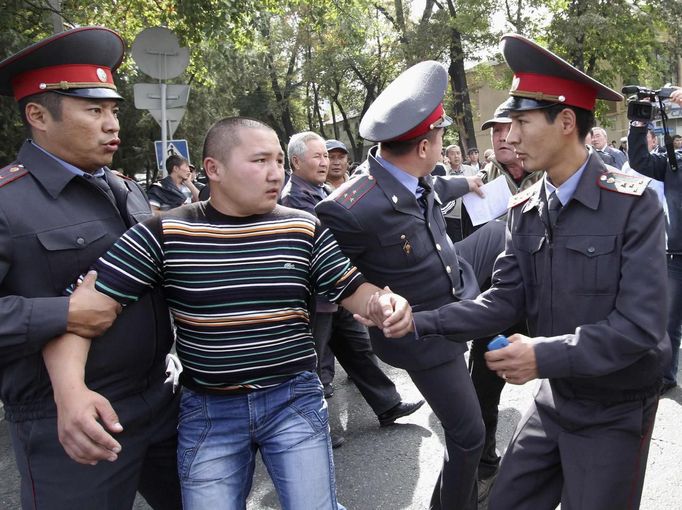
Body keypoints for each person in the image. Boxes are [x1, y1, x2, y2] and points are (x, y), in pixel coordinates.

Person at [40, 116, 413, 510]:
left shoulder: (304, 228)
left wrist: (384, 303)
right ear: (213, 168)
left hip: (293, 400)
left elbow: (352, 288)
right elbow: (80, 312)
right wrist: (70, 393)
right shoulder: (163, 233)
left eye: (279, 162)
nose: (275, 174)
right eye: (259, 161)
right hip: (209, 410)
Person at [383, 34, 669, 510]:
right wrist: (419, 320)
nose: (509, 137)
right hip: (555, 397)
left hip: (615, 407)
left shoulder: (633, 204)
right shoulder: (527, 208)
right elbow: (504, 300)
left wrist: (542, 355)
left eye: (520, 121)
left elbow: (639, 328)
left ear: (566, 122)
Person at [0, 27, 181, 509]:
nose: (111, 125)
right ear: (37, 115)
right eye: (94, 110)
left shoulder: (124, 188)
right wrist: (64, 315)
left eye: (114, 109)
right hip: (72, 421)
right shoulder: (7, 203)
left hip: (162, 399)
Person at [317, 60, 507, 510]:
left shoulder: (414, 178)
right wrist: (371, 302)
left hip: (452, 296)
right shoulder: (349, 208)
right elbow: (326, 277)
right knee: (468, 435)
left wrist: (471, 181)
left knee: (503, 232)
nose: (443, 146)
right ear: (424, 146)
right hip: (422, 335)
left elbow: (435, 192)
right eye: (440, 138)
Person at [280, 131, 423, 434]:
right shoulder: (295, 197)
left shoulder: (316, 191)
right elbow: (324, 245)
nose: (325, 163)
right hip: (315, 297)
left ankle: (388, 404)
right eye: (317, 156)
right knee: (313, 365)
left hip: (338, 293)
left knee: (358, 350)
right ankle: (314, 428)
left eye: (327, 156)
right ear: (296, 161)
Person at [465, 103, 545, 503]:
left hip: (550, 305)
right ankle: (484, 468)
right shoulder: (478, 186)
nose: (500, 138)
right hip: (499, 306)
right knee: (480, 388)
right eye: (493, 132)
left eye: (506, 129)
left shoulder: (551, 174)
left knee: (566, 389)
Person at [627, 87, 682, 395]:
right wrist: (639, 124)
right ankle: (665, 377)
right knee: (668, 324)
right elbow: (639, 161)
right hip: (676, 257)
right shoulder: (674, 164)